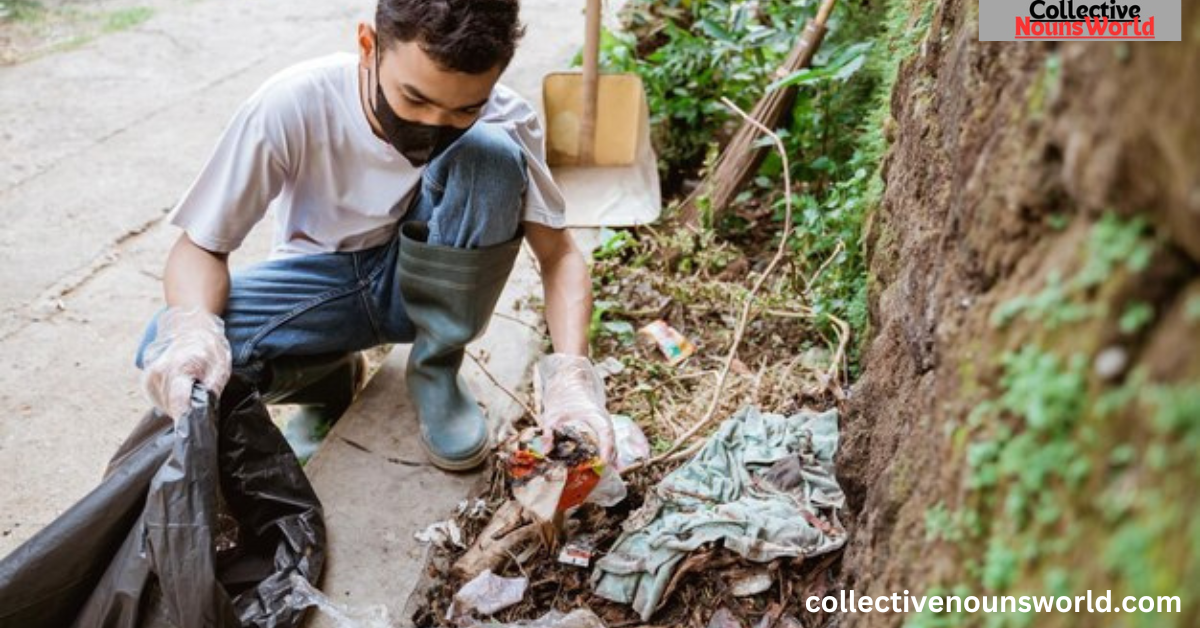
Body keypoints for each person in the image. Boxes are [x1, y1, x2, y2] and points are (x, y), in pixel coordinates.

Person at [133, 0, 614, 471]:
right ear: (368, 45)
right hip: (325, 286)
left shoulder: (506, 117)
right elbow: (201, 246)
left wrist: (572, 380)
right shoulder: (292, 103)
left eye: (465, 108)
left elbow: (559, 257)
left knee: (490, 153)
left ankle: (435, 369)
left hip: (430, 278)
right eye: (415, 98)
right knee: (176, 349)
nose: (433, 125)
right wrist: (194, 331)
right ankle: (324, 384)